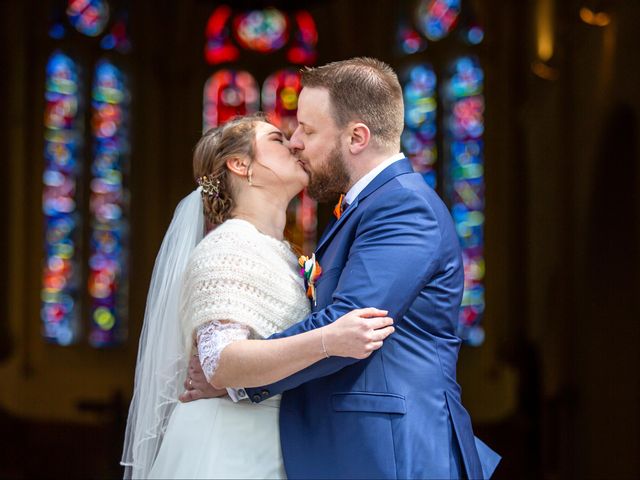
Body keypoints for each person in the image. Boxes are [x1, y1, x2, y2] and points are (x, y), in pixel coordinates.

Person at [184, 57, 501, 479]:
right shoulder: (356, 212)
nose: (296, 142)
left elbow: (348, 323)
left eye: (308, 130)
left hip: (396, 451)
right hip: (348, 448)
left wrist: (238, 378)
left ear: (356, 137)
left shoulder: (404, 207)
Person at [120, 114, 396, 479]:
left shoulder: (278, 252)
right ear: (241, 164)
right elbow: (220, 361)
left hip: (276, 444)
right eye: (278, 140)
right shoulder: (227, 246)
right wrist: (330, 339)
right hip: (228, 451)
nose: (295, 144)